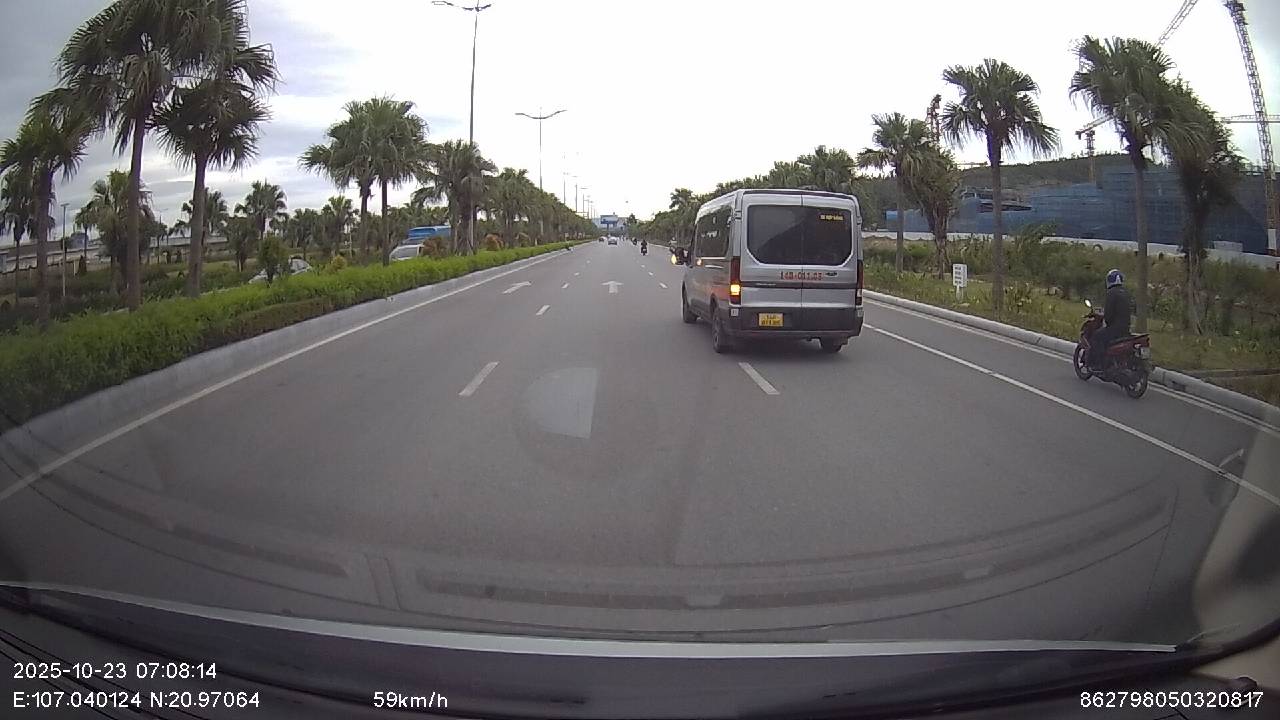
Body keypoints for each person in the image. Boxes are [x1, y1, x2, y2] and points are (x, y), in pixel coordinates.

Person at [1088, 268, 1132, 370]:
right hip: (1126, 329)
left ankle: (1098, 363)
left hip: (1115, 329)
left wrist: (1107, 321)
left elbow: (1108, 315)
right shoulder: (1126, 293)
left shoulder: (1111, 293)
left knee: (1097, 336)